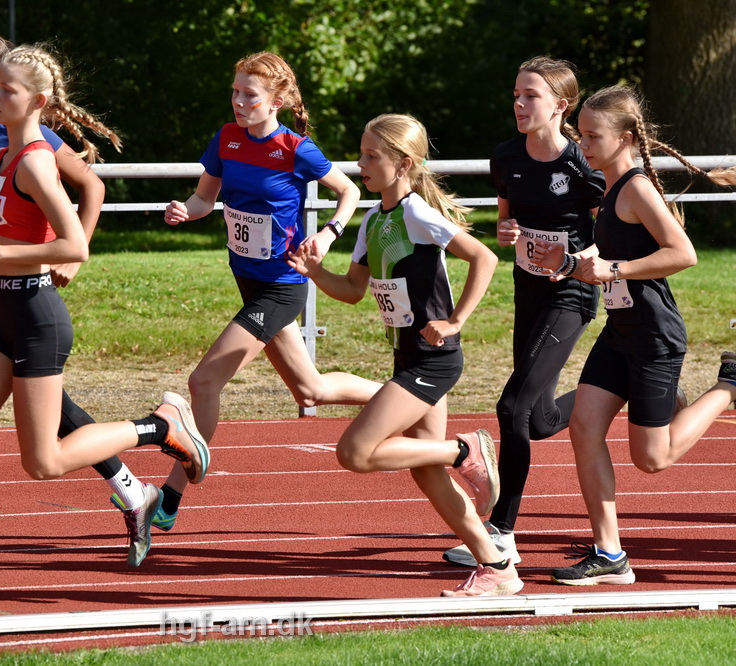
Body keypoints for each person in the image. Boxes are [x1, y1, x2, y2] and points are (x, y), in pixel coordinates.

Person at [0, 44, 210, 619]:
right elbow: (6, 234)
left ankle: (159, 426)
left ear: (35, 102)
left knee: (44, 462)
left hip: (36, 316)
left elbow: (73, 245)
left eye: (7, 90)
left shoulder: (35, 161)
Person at [117, 51, 382, 530]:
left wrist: (328, 234)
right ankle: (398, 397)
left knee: (203, 382)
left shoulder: (295, 148)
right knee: (311, 389)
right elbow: (205, 198)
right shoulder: (226, 139)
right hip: (247, 279)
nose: (239, 102)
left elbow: (350, 191)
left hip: (281, 286)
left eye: (250, 95)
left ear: (276, 101)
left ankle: (170, 498)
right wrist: (186, 210)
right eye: (235, 92)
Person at [288, 113, 522, 597]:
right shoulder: (374, 219)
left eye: (371, 156)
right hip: (408, 357)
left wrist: (455, 320)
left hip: (434, 358)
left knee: (354, 452)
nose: (360, 164)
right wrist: (315, 273)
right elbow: (353, 290)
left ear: (404, 164)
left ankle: (464, 450)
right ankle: (497, 565)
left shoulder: (416, 213)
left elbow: (484, 257)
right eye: (360, 153)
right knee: (426, 472)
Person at [527, 85, 736, 585]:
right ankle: (610, 554)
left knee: (652, 458)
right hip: (620, 330)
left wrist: (614, 269)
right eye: (580, 134)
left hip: (654, 335)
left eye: (592, 136)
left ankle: (730, 384)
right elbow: (612, 258)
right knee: (583, 427)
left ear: (624, 138)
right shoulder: (609, 188)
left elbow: (683, 254)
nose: (583, 144)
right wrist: (571, 263)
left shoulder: (637, 188)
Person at [441, 57, 606, 568]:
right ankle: (632, 392)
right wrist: (506, 231)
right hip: (527, 291)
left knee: (511, 408)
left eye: (531, 95)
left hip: (570, 294)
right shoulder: (506, 155)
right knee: (537, 420)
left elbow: (611, 239)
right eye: (516, 94)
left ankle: (502, 532)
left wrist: (573, 260)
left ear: (560, 106)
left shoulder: (582, 165)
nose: (519, 103)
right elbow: (505, 220)